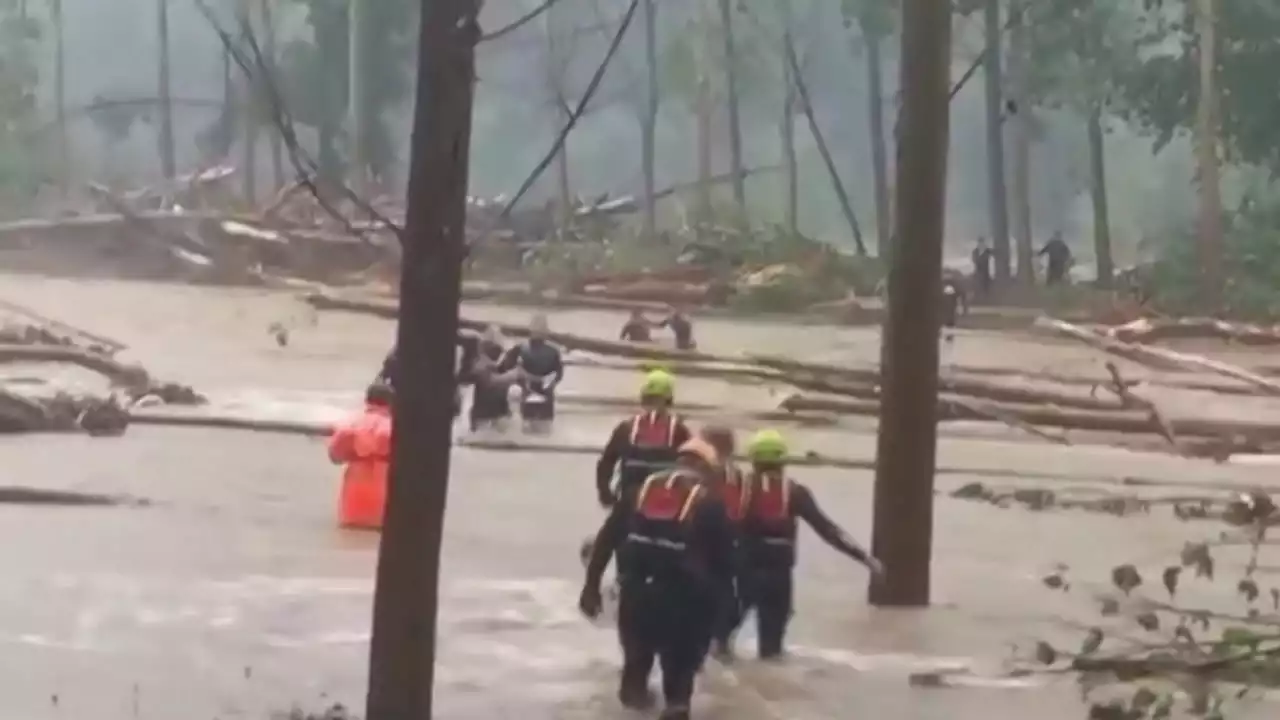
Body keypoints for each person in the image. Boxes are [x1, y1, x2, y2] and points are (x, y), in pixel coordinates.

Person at [579, 438, 737, 719]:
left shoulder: (637, 492)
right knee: (677, 690)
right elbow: (725, 566)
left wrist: (591, 587)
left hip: (636, 597)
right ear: (707, 468)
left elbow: (605, 542)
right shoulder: (711, 504)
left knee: (633, 684)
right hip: (684, 604)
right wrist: (724, 615)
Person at [720, 429, 884, 660]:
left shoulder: (741, 489)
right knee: (772, 654)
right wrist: (865, 558)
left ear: (753, 459)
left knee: (719, 645)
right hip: (780, 580)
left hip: (744, 576)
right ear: (783, 460)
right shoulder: (796, 493)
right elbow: (828, 530)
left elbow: (717, 526)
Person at [595, 369, 692, 507]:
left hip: (630, 502)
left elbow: (606, 463)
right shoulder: (679, 430)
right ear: (669, 400)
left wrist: (605, 494)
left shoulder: (626, 428)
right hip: (666, 504)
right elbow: (694, 468)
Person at [327, 383, 394, 530]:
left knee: (352, 526)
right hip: (382, 477)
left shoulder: (351, 422)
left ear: (367, 400)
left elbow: (335, 454)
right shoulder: (393, 425)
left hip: (355, 477)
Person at [499, 314, 564, 434]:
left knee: (527, 429)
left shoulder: (519, 349)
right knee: (545, 431)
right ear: (546, 334)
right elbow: (558, 375)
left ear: (530, 332)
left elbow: (505, 369)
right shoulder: (554, 352)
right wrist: (544, 382)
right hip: (546, 397)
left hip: (528, 394)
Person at [465, 325, 515, 432]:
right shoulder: (481, 365)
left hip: (495, 418)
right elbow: (490, 381)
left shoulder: (498, 367)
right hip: (484, 419)